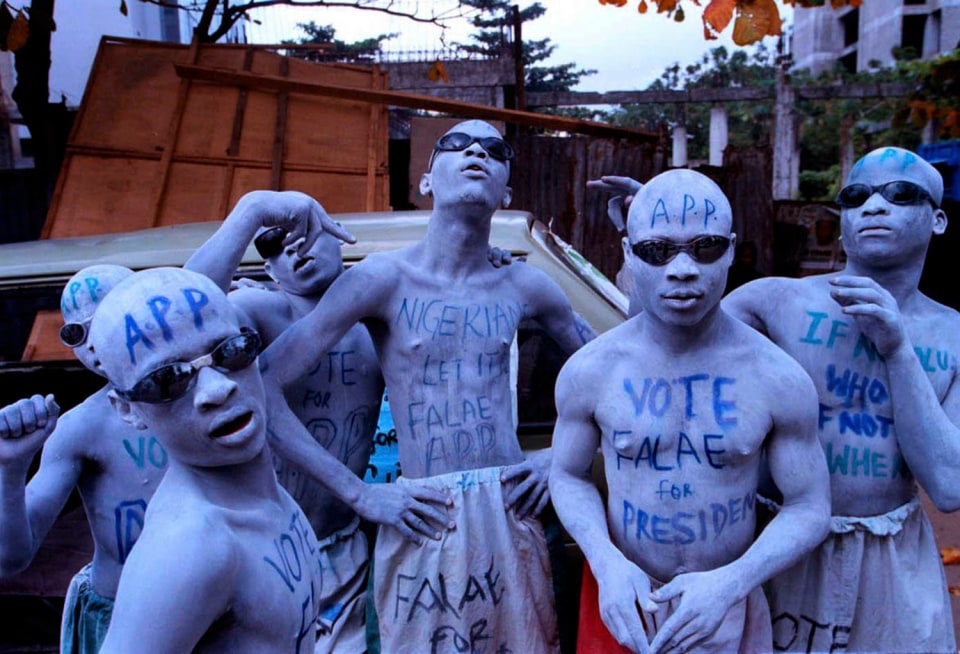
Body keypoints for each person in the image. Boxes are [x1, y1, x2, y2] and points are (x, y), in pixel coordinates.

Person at [258, 120, 595, 653]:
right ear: (426, 181)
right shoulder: (380, 279)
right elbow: (261, 386)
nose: (477, 151)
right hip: (423, 517)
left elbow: (620, 376)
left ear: (506, 190)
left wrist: (558, 457)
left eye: (495, 148)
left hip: (512, 511)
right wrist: (359, 492)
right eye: (456, 144)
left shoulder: (525, 283)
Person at [550, 169, 831, 653]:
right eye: (656, 251)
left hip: (726, 604)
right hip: (625, 601)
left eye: (704, 248)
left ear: (732, 248)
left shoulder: (775, 376)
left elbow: (809, 506)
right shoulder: (591, 371)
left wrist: (734, 580)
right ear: (626, 253)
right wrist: (607, 564)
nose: (682, 270)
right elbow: (568, 475)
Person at [724, 146, 960, 653]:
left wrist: (897, 350)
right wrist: (657, 249)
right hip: (780, 544)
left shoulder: (953, 334)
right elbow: (653, 350)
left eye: (899, 195)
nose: (873, 206)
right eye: (856, 196)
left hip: (892, 557)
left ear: (937, 220)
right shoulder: (774, 302)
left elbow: (948, 484)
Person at [88, 266, 322, 652]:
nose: (217, 388)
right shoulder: (191, 549)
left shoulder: (263, 499)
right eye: (168, 380)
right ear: (127, 410)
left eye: (231, 353)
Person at [184, 192, 380, 652]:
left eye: (308, 233)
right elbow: (186, 307)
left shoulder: (377, 311)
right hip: (264, 551)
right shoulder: (258, 314)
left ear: (338, 238)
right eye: (273, 244)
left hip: (346, 547)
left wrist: (488, 255)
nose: (294, 247)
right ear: (268, 270)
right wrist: (252, 212)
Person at [0, 264, 168, 654]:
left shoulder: (215, 397)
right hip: (118, 620)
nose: (94, 341)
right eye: (77, 332)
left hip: (218, 611)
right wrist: (10, 466)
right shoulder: (82, 427)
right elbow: (10, 557)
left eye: (111, 315)